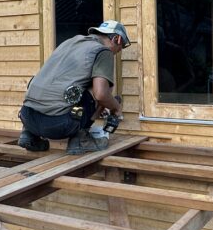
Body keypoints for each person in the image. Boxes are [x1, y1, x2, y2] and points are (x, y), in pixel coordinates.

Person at [18, 20, 130, 155]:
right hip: (57, 126)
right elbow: (101, 94)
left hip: (27, 117)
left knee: (50, 85)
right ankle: (81, 140)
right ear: (117, 39)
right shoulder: (103, 51)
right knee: (104, 88)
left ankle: (29, 135)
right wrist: (116, 107)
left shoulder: (69, 43)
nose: (118, 52)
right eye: (120, 48)